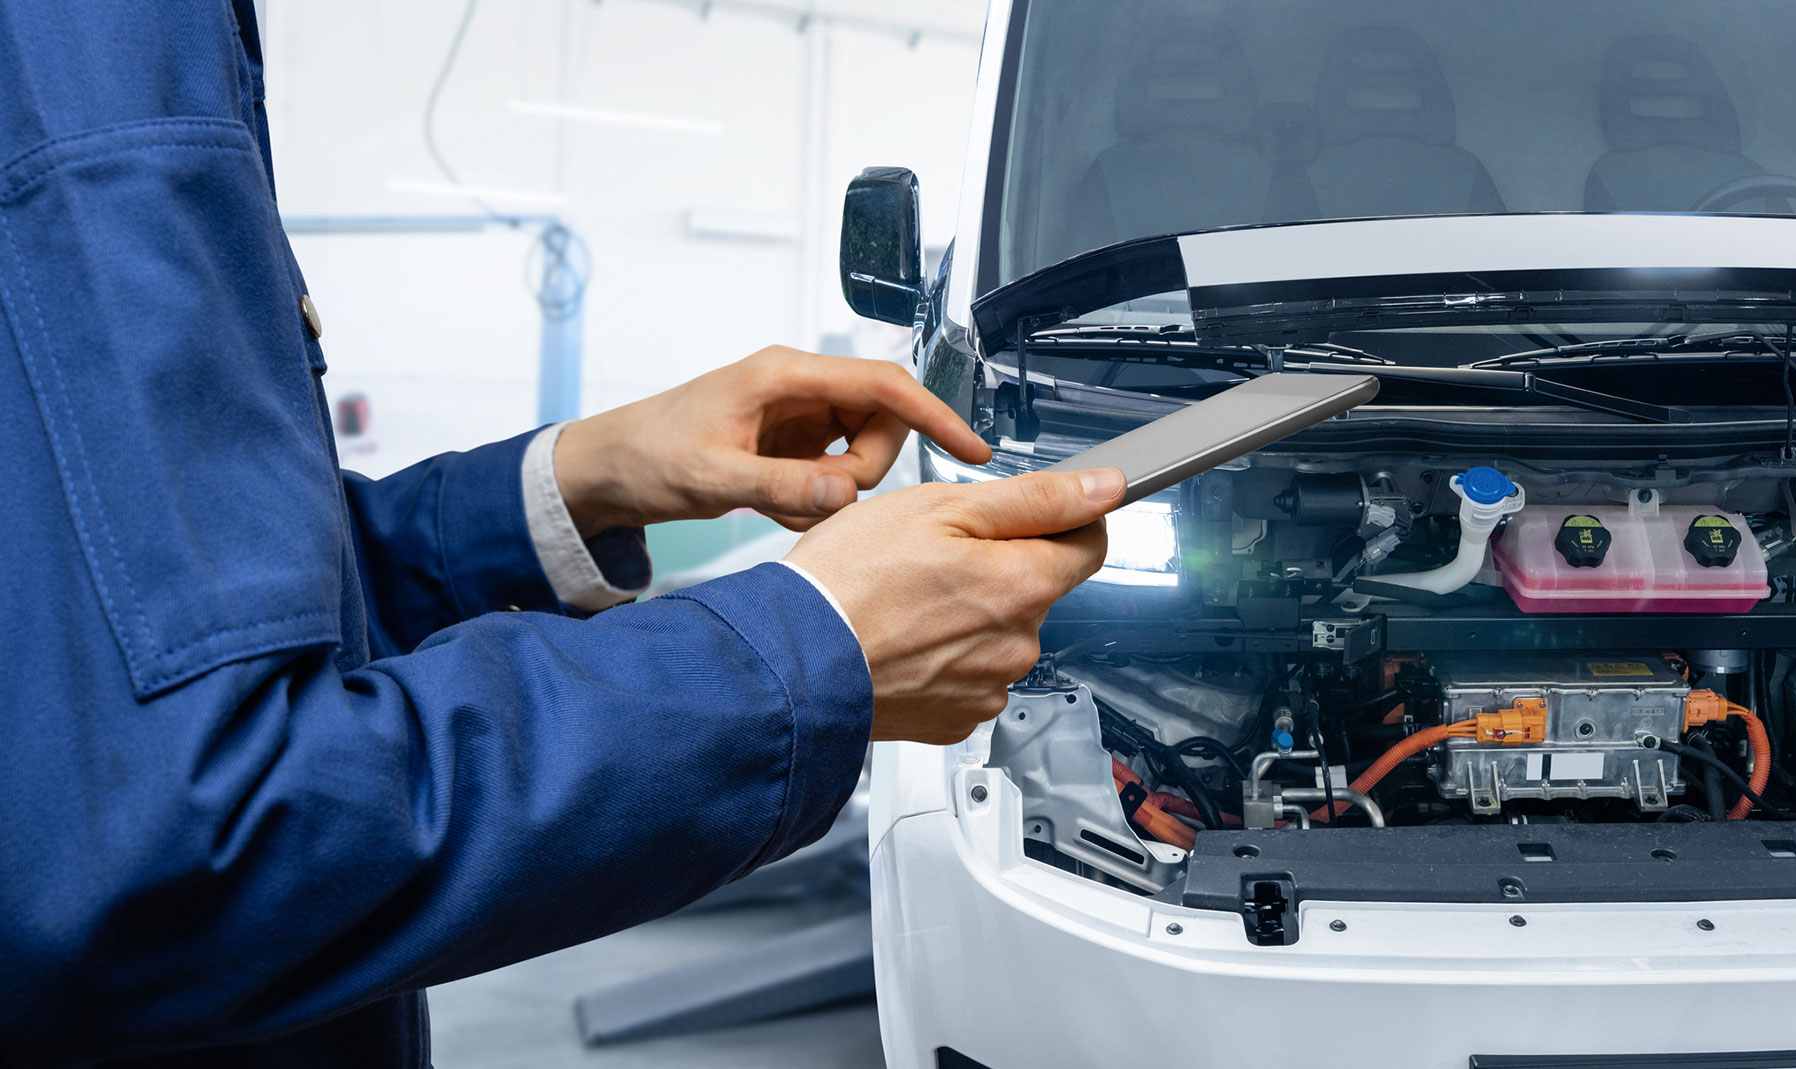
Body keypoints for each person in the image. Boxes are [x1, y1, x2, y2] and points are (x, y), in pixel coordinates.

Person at [0, 3, 1124, 1066]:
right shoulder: (85, 50)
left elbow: (119, 630)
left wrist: (580, 479)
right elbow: (186, 848)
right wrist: (806, 651)